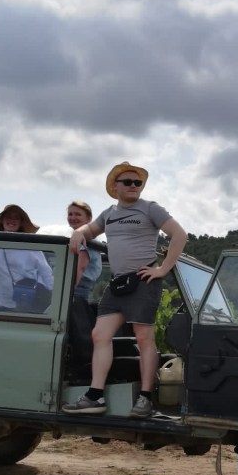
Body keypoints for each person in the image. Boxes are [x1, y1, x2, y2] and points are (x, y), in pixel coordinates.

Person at [62, 161, 187, 418]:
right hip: (118, 283)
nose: (134, 186)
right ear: (115, 187)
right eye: (128, 182)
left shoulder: (150, 208)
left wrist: (162, 269)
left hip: (143, 280)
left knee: (144, 338)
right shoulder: (109, 213)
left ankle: (145, 398)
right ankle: (95, 395)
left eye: (137, 182)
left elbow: (179, 235)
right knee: (99, 334)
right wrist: (78, 233)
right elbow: (89, 229)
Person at [0, 204, 54, 311]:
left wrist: (54, 296)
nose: (12, 220)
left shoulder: (30, 245)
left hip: (30, 299)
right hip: (2, 299)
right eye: (8, 217)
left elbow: (45, 271)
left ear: (21, 223)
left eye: (16, 218)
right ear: (1, 220)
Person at [67, 200, 103, 380]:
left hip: (73, 294)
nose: (73, 217)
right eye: (70, 214)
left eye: (78, 214)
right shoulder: (91, 242)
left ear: (88, 219)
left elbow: (79, 269)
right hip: (83, 297)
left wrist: (64, 294)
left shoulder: (83, 241)